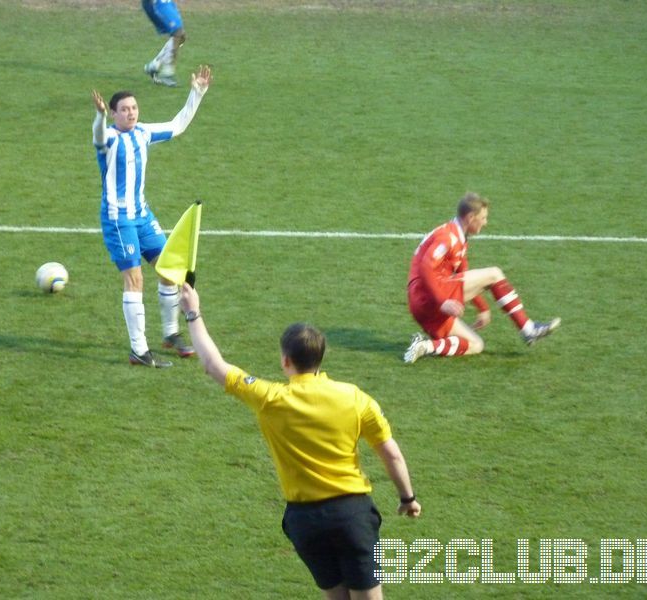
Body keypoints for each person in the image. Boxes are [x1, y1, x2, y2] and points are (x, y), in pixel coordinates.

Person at [179, 283, 422, 599]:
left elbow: (213, 365)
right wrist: (407, 498)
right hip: (352, 516)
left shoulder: (271, 399)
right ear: (321, 358)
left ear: (285, 361)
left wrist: (192, 313)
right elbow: (391, 454)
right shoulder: (355, 398)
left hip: (305, 522)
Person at [91, 64, 212, 368]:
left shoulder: (144, 132)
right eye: (124, 109)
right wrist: (99, 116)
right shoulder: (108, 138)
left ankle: (170, 334)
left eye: (133, 108)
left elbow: (178, 125)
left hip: (142, 216)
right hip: (119, 220)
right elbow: (98, 134)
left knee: (170, 268)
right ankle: (139, 350)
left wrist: (197, 93)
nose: (131, 113)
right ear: (114, 114)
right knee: (134, 279)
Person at [403, 192, 560, 363]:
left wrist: (482, 308)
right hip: (428, 297)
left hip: (424, 304)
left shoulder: (459, 237)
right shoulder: (448, 237)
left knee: (476, 344)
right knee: (494, 274)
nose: (486, 222)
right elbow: (426, 267)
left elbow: (463, 275)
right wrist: (443, 301)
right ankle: (528, 329)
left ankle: (424, 346)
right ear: (471, 217)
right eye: (483, 218)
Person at [141, 0, 186, 87]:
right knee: (177, 33)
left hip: (166, 3)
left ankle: (154, 65)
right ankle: (167, 72)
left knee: (181, 37)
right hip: (155, 4)